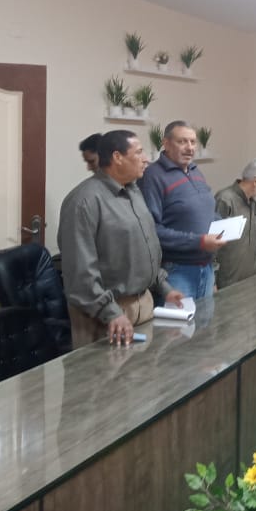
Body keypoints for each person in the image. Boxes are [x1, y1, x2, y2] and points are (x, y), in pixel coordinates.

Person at [59, 130, 183, 348]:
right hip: (106, 315)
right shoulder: (84, 201)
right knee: (105, 370)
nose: (146, 159)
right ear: (117, 157)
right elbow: (80, 272)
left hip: (142, 304)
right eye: (139, 152)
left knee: (145, 368)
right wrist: (111, 312)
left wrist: (165, 288)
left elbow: (146, 248)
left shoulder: (134, 191)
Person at [138, 121, 224, 299]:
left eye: (193, 142)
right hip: (176, 271)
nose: (190, 148)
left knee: (205, 318)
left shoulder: (196, 171)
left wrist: (223, 226)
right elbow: (151, 230)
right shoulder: (152, 176)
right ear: (166, 143)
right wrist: (199, 241)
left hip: (206, 268)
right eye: (182, 141)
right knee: (179, 318)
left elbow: (205, 212)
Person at [214, 158, 256, 288]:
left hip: (248, 278)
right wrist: (213, 281)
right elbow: (213, 243)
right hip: (227, 279)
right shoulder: (225, 199)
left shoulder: (254, 201)